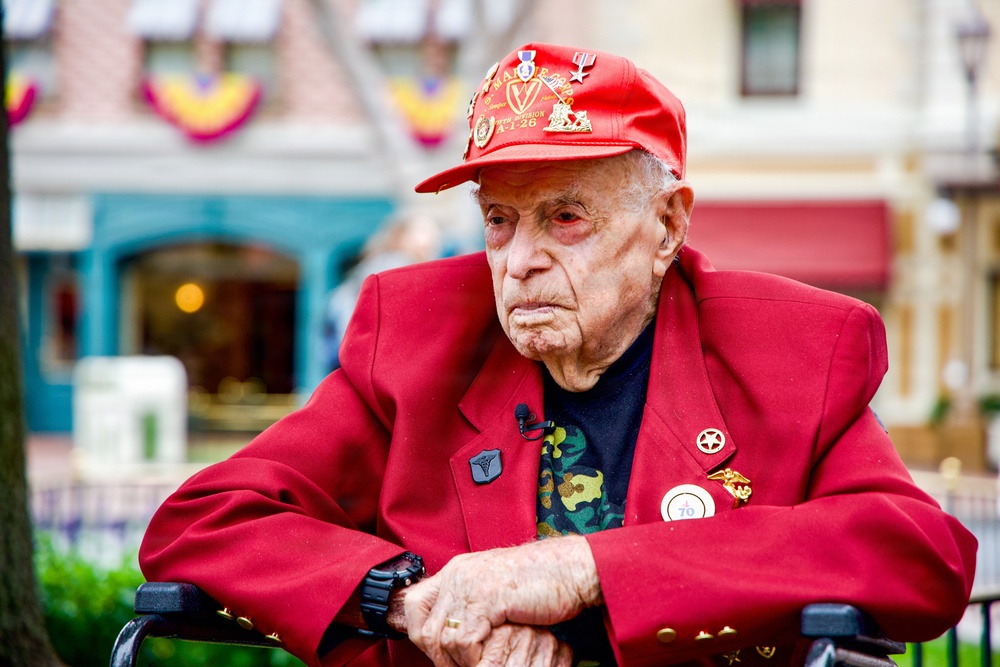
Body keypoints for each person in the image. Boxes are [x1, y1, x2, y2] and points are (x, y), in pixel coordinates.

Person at [139, 43, 977, 667]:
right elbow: (203, 521)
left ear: (669, 225)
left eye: (565, 217)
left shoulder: (790, 348)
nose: (519, 259)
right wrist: (406, 597)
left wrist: (580, 567)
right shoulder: (419, 334)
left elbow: (918, 553)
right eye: (499, 218)